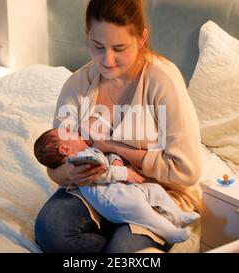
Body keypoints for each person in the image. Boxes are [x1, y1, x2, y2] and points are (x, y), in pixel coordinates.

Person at [35, 0, 202, 253]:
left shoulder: (162, 81)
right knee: (51, 230)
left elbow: (186, 170)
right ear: (88, 37)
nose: (107, 60)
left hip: (156, 192)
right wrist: (72, 173)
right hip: (96, 189)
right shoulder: (78, 85)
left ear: (141, 37)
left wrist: (112, 147)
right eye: (98, 46)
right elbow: (55, 168)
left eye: (119, 48)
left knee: (124, 252)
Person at [34, 128, 200, 244]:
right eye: (69, 133)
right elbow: (101, 172)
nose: (74, 131)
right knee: (145, 213)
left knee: (155, 190)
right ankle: (171, 233)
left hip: (125, 189)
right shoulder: (80, 160)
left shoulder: (89, 151)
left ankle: (178, 216)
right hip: (116, 201)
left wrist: (116, 158)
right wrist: (124, 173)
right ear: (64, 148)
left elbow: (106, 158)